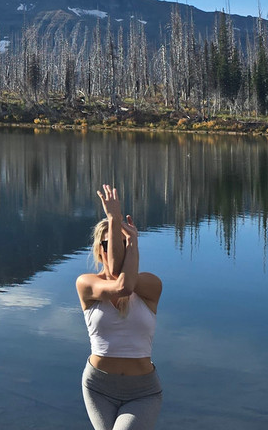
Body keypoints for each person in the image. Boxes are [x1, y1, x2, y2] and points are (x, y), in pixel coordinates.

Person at [76, 184, 163, 430]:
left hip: (143, 391)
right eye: (108, 245)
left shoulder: (150, 285)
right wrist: (114, 219)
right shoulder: (87, 285)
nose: (116, 250)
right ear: (99, 250)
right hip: (98, 387)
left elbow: (124, 283)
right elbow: (117, 279)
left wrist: (131, 239)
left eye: (123, 244)